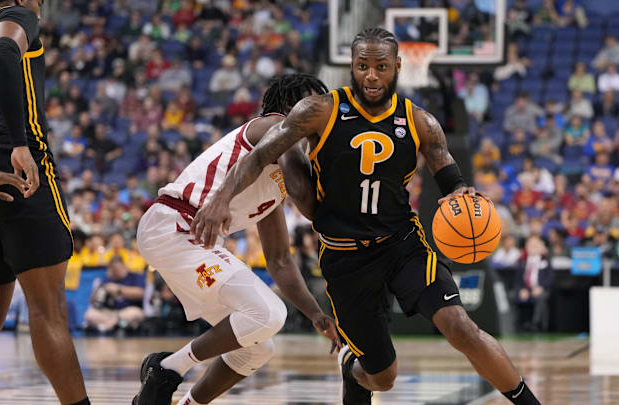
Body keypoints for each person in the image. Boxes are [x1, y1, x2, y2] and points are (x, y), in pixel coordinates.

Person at [192, 27, 541, 405]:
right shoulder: (319, 110)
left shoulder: (419, 121)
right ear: (352, 68)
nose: (371, 76)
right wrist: (220, 199)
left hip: (401, 245)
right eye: (362, 66)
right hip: (345, 259)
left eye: (380, 66)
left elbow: (449, 175)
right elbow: (259, 154)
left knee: (460, 326)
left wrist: (461, 194)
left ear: (397, 67)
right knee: (382, 376)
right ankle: (353, 373)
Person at [132, 74, 340, 405]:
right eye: (314, 103)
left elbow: (280, 260)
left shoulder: (275, 182)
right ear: (290, 107)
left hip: (194, 240)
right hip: (173, 224)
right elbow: (307, 199)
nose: (323, 112)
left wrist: (316, 314)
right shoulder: (271, 126)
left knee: (257, 347)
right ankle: (167, 368)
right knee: (269, 314)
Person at [0, 2, 89, 405]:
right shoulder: (16, 16)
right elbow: (3, 52)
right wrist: (18, 143)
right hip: (14, 164)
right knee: (49, 311)